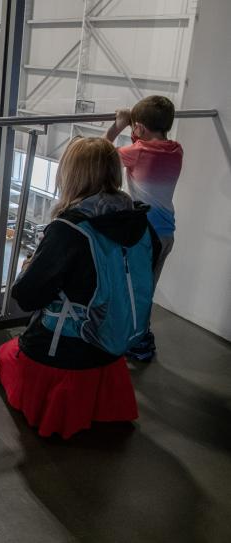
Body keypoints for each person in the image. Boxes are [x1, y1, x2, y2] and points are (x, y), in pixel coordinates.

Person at [0, 137, 162, 439]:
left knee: (5, 355)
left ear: (70, 176)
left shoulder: (69, 230)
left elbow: (27, 297)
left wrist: (29, 266)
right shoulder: (141, 223)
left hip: (66, 353)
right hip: (111, 347)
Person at [105, 95, 183, 361]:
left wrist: (117, 126)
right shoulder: (175, 150)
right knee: (146, 288)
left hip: (146, 236)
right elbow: (147, 143)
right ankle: (141, 336)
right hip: (166, 233)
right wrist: (135, 127)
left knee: (135, 289)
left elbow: (101, 154)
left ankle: (138, 342)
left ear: (138, 128)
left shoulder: (137, 152)